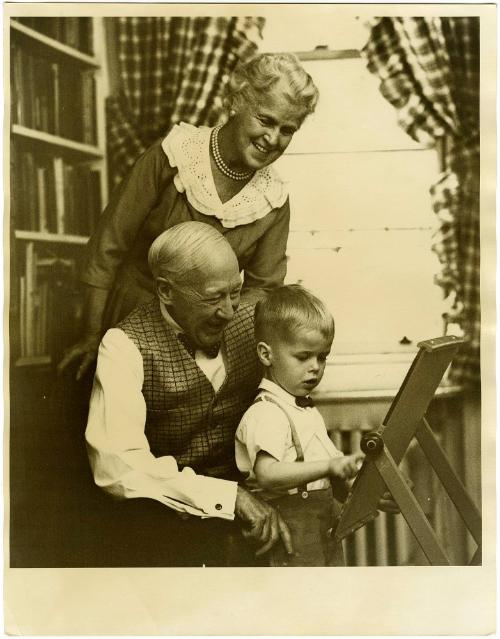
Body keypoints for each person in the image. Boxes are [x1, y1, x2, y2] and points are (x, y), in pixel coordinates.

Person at [60, 53, 320, 380]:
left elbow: (263, 290)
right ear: (236, 102)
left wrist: (217, 341)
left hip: (209, 344)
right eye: (265, 120)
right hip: (129, 324)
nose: (272, 138)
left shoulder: (273, 199)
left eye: (287, 129)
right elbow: (107, 248)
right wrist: (92, 334)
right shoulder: (172, 157)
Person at [85, 221, 293, 566]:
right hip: (168, 532)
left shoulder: (255, 321)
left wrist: (333, 473)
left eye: (235, 292)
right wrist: (229, 497)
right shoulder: (122, 346)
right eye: (213, 297)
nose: (229, 312)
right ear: (166, 291)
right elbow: (117, 467)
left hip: (257, 525)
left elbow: (293, 399)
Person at [235, 285, 395, 567]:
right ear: (266, 354)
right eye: (303, 356)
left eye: (322, 357)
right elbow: (268, 474)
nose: (315, 367)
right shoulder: (266, 413)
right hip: (290, 533)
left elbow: (329, 465)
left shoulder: (303, 409)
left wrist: (367, 487)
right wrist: (329, 468)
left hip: (319, 527)